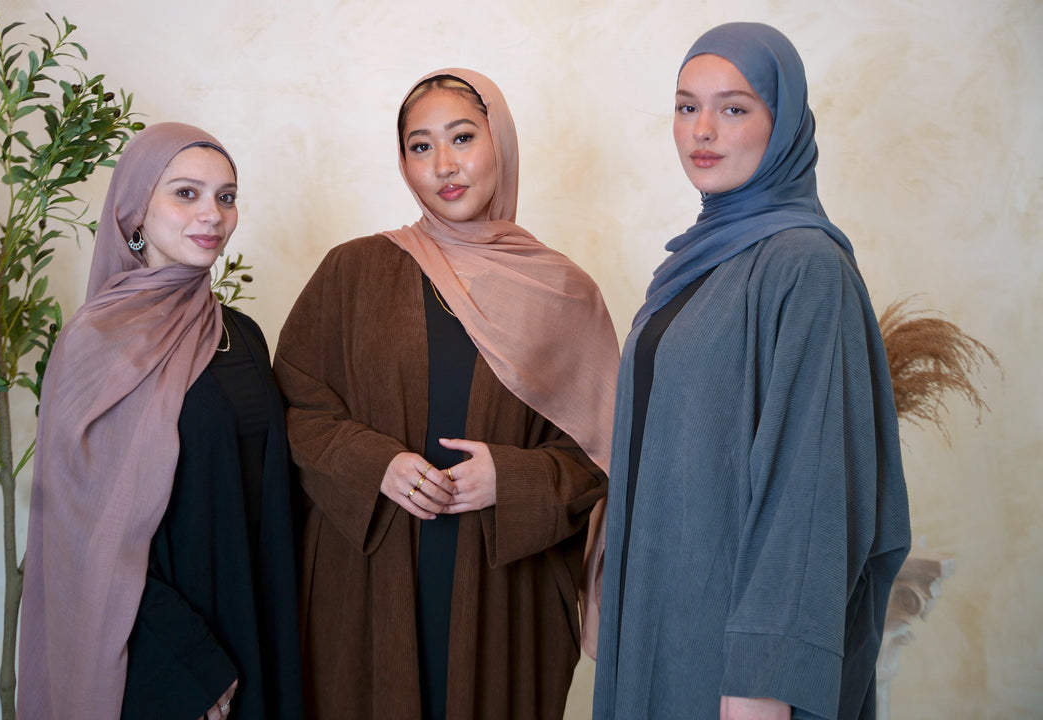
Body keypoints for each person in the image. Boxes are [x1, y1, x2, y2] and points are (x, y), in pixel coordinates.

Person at [274, 69, 619, 720]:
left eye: (462, 137)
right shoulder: (351, 273)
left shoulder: (565, 295)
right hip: (365, 586)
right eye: (420, 145)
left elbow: (602, 457)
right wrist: (375, 463)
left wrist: (511, 478)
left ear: (501, 143)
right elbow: (295, 408)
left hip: (504, 598)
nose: (444, 165)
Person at [590, 23, 912, 720]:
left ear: (784, 122)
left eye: (734, 108)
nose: (702, 129)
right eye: (686, 107)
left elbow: (811, 484)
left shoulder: (805, 266)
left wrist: (764, 678)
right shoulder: (695, 263)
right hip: (662, 618)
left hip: (733, 657)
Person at [18, 123, 303, 720]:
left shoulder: (242, 335)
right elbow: (81, 536)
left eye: (226, 197)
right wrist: (189, 670)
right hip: (165, 659)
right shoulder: (96, 341)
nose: (212, 215)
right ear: (136, 211)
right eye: (186, 193)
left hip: (256, 625)